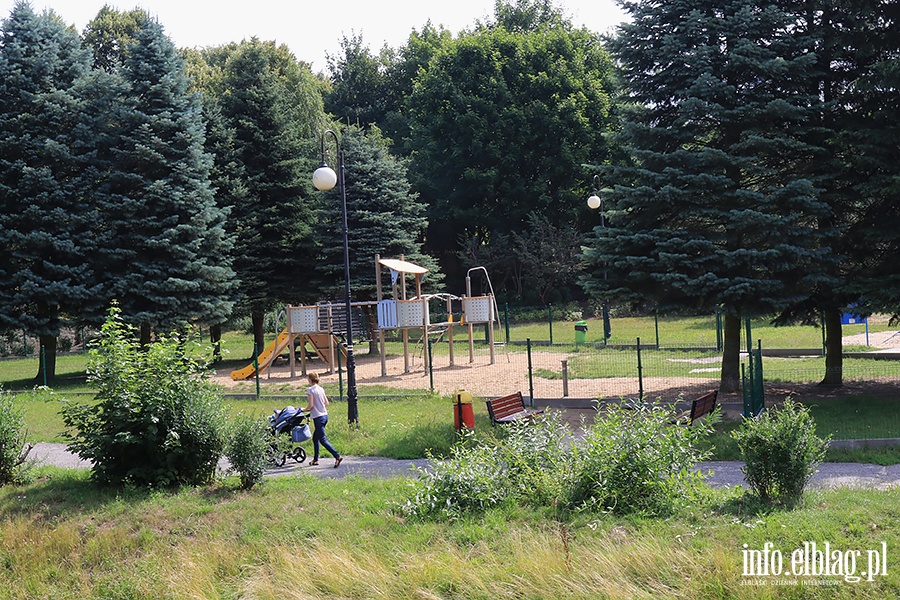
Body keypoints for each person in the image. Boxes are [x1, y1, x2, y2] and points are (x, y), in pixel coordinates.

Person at [303, 372, 342, 468]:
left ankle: (337, 456)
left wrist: (303, 409)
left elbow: (311, 405)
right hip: (325, 416)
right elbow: (326, 403)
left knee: (322, 439)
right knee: (315, 438)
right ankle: (315, 459)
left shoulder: (310, 390)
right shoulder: (321, 389)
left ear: (309, 380)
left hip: (318, 418)